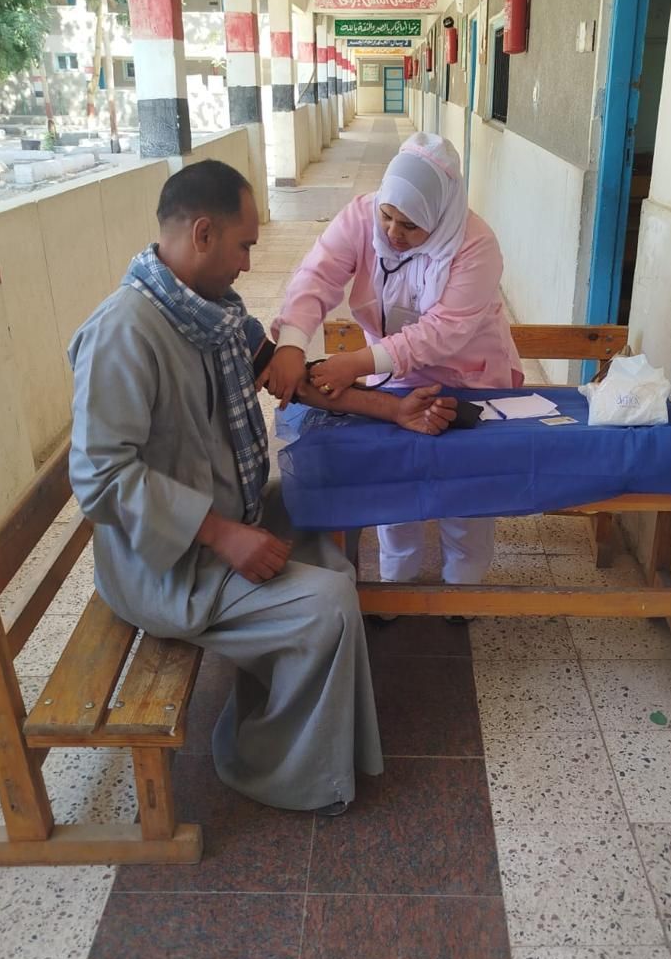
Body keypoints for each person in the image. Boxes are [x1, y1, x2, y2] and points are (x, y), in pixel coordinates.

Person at [68, 159, 457, 815]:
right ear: (202, 234)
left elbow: (290, 378)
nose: (249, 264)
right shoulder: (124, 333)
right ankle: (270, 765)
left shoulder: (212, 315)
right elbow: (101, 479)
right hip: (163, 566)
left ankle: (285, 704)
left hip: (222, 520)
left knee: (322, 516)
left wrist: (394, 410)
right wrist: (223, 535)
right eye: (244, 245)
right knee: (329, 605)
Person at [268, 132, 522, 588]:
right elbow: (316, 276)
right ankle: (397, 581)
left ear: (439, 217)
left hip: (469, 375)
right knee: (394, 479)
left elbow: (443, 331)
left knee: (465, 486)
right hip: (392, 375)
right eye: (387, 216)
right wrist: (290, 343)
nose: (392, 233)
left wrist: (356, 364)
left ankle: (463, 586)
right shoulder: (361, 217)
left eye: (410, 225)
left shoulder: (476, 246)